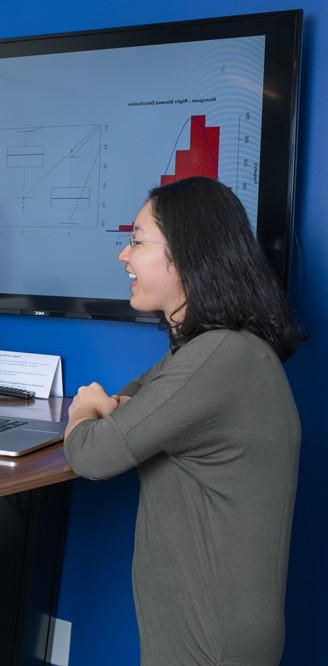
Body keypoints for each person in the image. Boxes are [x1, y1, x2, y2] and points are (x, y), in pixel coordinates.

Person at [62, 176, 301, 665]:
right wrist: (112, 412)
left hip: (211, 640)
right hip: (201, 630)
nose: (123, 257)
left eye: (137, 241)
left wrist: (84, 408)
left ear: (188, 255)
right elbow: (135, 399)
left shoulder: (220, 356)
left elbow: (92, 452)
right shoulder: (207, 350)